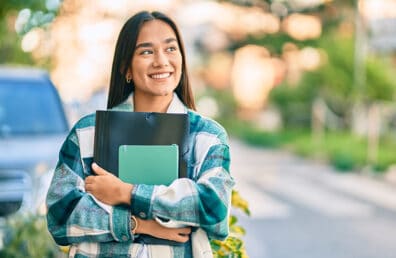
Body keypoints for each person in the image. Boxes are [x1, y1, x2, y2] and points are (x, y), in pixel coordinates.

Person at [46, 10, 235, 258]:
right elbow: (60, 216)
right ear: (126, 67)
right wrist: (139, 224)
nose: (161, 61)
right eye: (146, 51)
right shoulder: (88, 133)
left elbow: (213, 208)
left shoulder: (207, 136)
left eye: (170, 49)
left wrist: (126, 192)